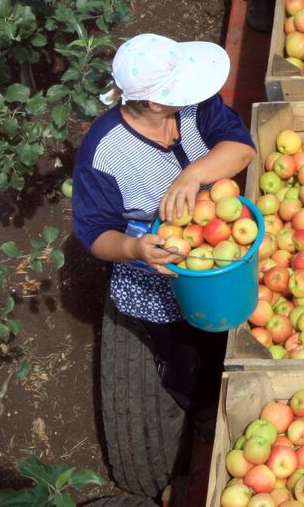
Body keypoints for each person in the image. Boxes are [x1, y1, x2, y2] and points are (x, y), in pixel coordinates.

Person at [72, 34, 256, 442]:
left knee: (239, 312)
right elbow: (93, 231)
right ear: (155, 103)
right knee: (186, 350)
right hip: (158, 262)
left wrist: (193, 174)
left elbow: (241, 148)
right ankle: (201, 407)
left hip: (219, 236)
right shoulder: (103, 154)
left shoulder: (194, 107)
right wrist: (134, 249)